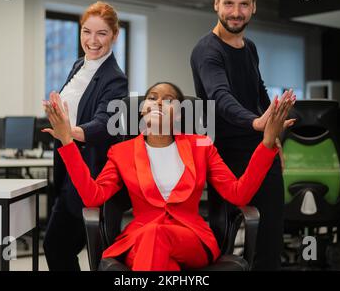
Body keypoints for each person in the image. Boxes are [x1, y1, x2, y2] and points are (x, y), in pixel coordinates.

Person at [43, 81, 294, 271]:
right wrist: (67, 140)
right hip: (139, 239)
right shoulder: (121, 152)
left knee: (156, 238)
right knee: (158, 251)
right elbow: (92, 197)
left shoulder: (201, 145)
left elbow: (239, 193)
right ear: (142, 110)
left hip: (191, 238)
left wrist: (268, 141)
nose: (160, 102)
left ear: (180, 114)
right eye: (153, 98)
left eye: (169, 99)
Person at [190, 0, 296, 270]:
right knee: (221, 245)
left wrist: (272, 134)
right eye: (229, 3)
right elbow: (220, 98)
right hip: (227, 157)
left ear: (253, 7)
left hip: (261, 151)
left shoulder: (249, 48)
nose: (236, 12)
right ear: (215, 4)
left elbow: (258, 90)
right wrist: (256, 123)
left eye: (243, 4)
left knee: (270, 240)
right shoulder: (207, 50)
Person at [42, 1, 128, 271]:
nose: (92, 40)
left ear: (115, 35)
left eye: (101, 33)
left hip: (91, 173)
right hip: (69, 170)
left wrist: (70, 131)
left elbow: (103, 124)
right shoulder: (80, 65)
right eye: (86, 31)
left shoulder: (115, 79)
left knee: (60, 246)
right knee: (58, 247)